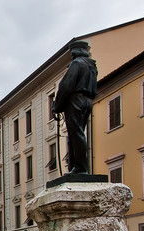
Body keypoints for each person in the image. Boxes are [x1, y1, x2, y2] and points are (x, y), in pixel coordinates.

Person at [52, 40, 98, 174]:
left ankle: (79, 167)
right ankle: (76, 167)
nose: (71, 54)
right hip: (88, 101)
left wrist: (56, 106)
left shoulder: (77, 63)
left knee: (76, 134)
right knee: (77, 134)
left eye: (72, 52)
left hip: (76, 100)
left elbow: (66, 86)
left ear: (75, 52)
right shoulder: (92, 67)